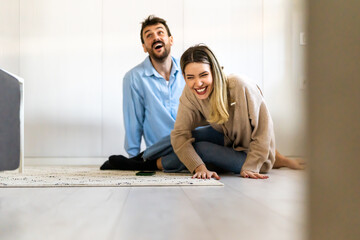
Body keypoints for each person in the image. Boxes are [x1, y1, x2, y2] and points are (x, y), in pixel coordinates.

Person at [100, 16, 304, 173]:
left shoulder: (239, 86)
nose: (197, 83)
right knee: (187, 138)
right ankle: (137, 161)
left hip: (247, 154)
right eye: (190, 77)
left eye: (203, 75)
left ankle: (148, 165)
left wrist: (252, 166)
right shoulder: (142, 79)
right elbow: (175, 134)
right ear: (144, 46)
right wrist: (198, 167)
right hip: (213, 140)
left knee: (200, 148)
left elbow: (264, 130)